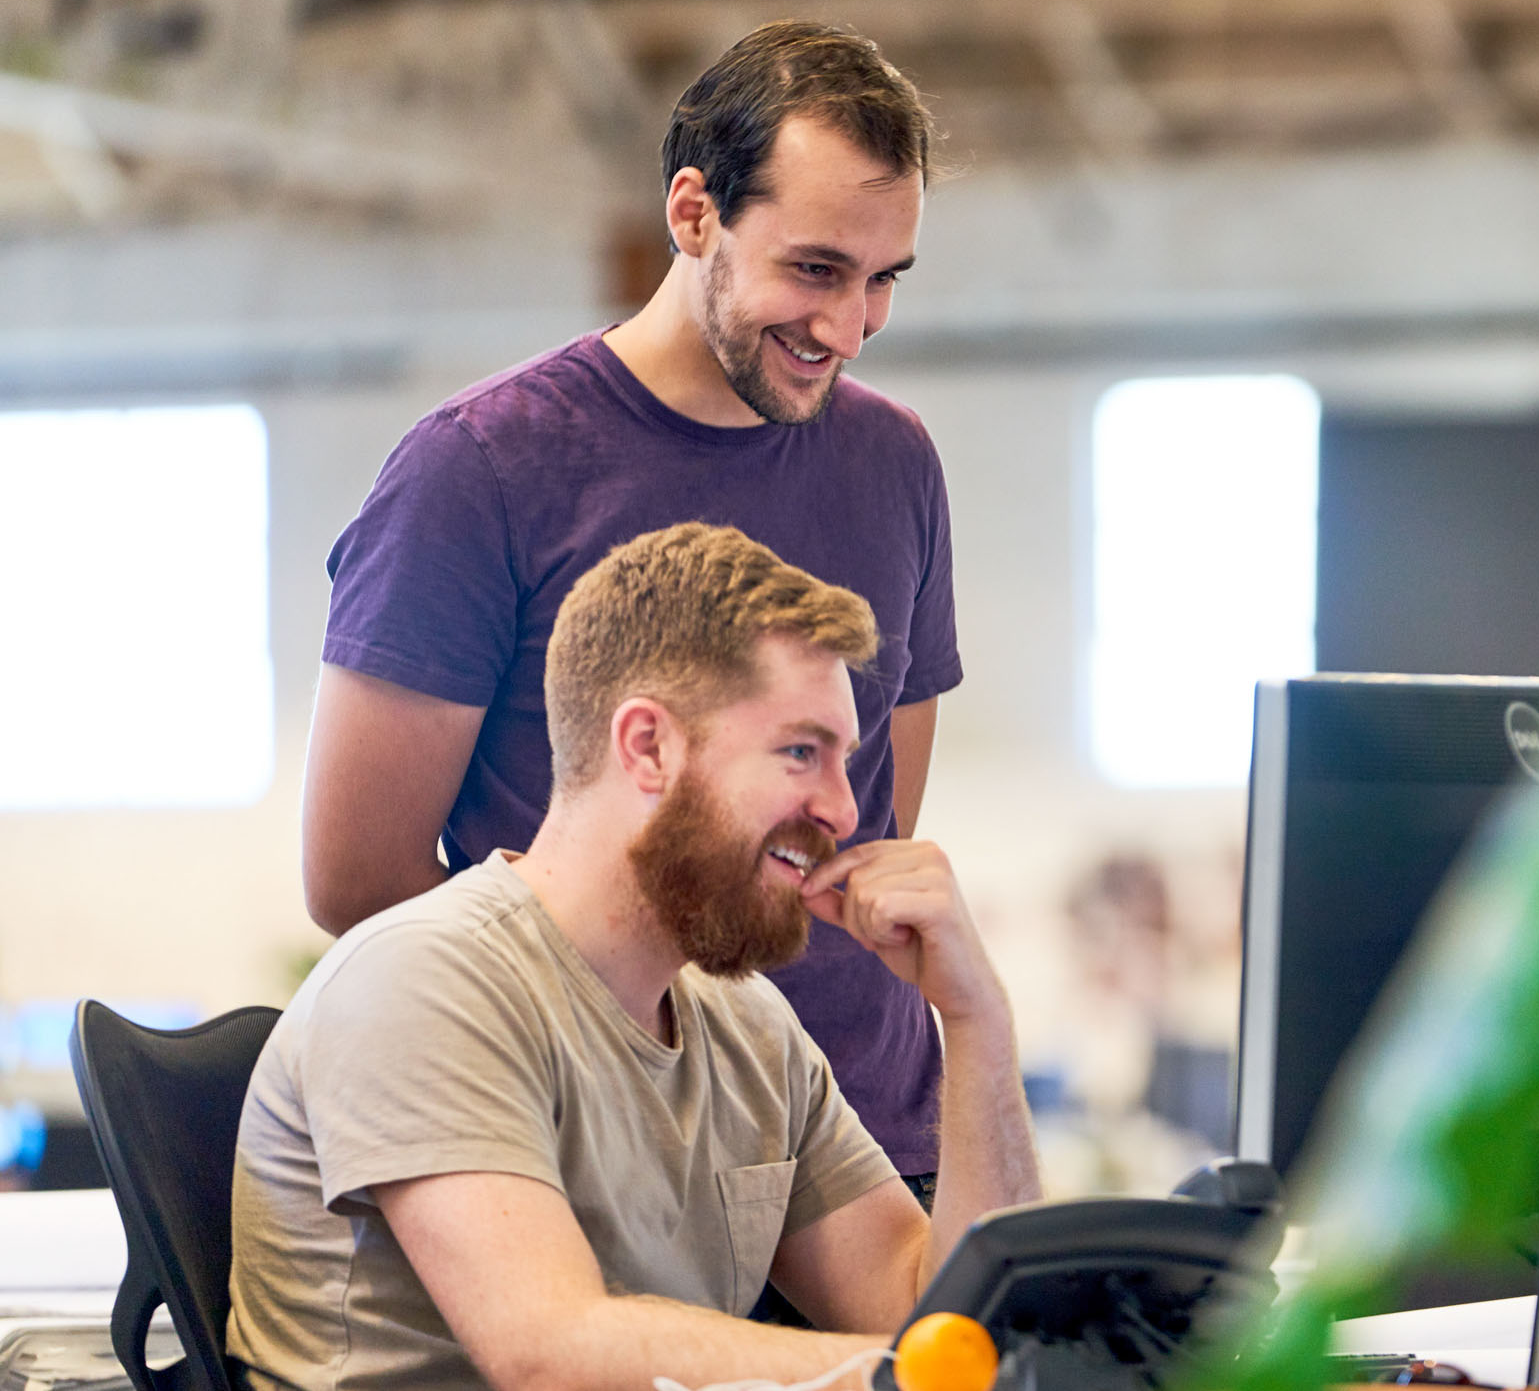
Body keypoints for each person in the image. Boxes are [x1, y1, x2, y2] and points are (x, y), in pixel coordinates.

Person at [303, 21, 958, 1185]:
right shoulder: (480, 468)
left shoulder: (896, 464)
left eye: (881, 281)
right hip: (618, 1162)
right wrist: (613, 1045)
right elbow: (359, 881)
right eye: (814, 269)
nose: (848, 328)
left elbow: (869, 811)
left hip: (874, 1144)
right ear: (694, 212)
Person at [230, 524, 1042, 1391]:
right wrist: (939, 1375)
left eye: (845, 760)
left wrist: (976, 1019)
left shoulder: (749, 1026)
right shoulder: (423, 980)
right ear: (648, 746)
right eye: (801, 752)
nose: (845, 810)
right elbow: (550, 1354)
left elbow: (939, 1314)